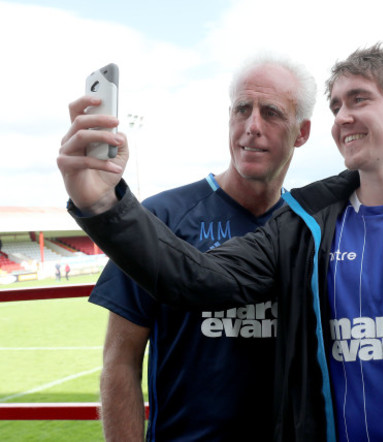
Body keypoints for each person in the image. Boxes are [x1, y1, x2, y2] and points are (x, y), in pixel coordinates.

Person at [58, 44, 383, 441]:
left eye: (358, 100)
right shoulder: (308, 227)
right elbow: (194, 277)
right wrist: (105, 204)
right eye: (335, 105)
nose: (343, 117)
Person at [80, 55, 315, 441]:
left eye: (271, 113)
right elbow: (119, 361)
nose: (252, 126)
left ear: (301, 132)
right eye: (242, 109)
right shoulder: (157, 219)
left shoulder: (310, 230)